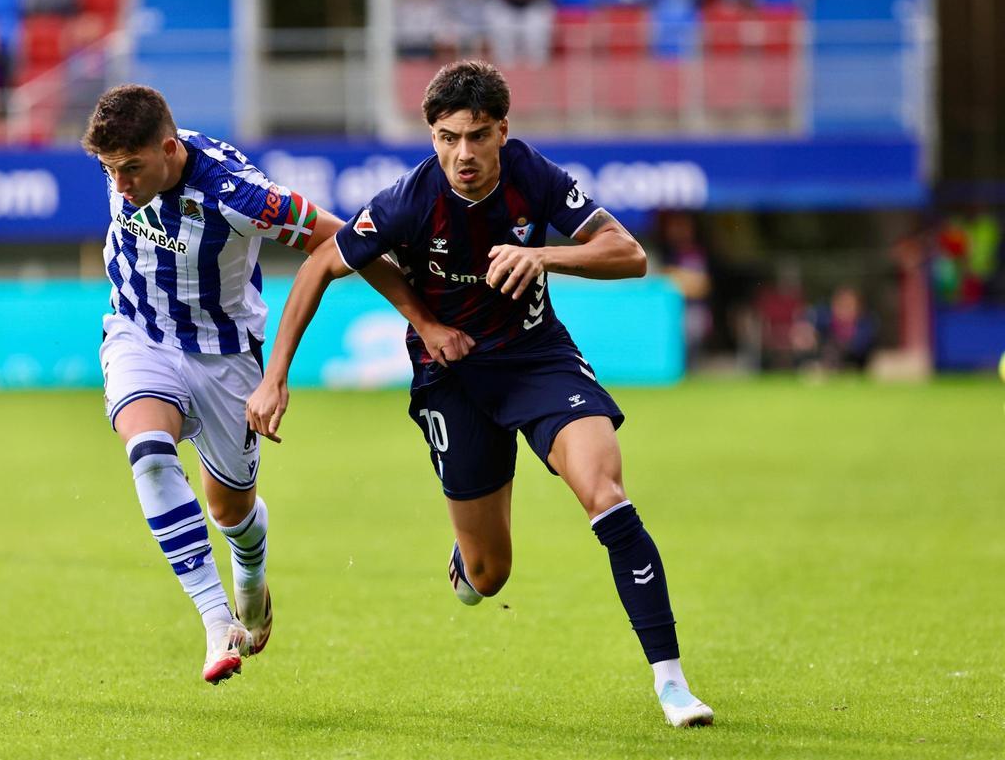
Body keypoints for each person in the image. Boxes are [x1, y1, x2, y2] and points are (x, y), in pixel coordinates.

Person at [247, 61, 713, 727]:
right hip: (453, 378)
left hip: (536, 360)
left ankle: (671, 682)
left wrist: (544, 256)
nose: (461, 153)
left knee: (606, 495)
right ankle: (468, 563)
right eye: (446, 137)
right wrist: (279, 373)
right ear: (432, 134)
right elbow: (326, 261)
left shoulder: (534, 176)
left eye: (476, 136)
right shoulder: (410, 199)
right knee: (489, 574)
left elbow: (629, 253)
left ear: (502, 129)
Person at [81, 85, 463, 685]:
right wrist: (121, 172)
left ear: (168, 148)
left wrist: (426, 321)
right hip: (140, 335)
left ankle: (251, 566)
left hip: (226, 357)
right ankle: (216, 621)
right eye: (111, 172)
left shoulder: (239, 195)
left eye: (131, 169)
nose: (122, 184)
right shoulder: (126, 164)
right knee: (148, 454)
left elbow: (344, 244)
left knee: (230, 511)